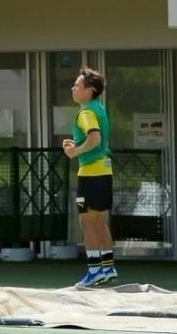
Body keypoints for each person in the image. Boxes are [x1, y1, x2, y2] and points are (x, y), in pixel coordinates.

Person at [62, 68, 116, 288]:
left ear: (90, 90)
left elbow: (95, 138)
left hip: (90, 175)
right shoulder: (98, 108)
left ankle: (94, 271)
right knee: (99, 222)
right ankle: (108, 268)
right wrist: (77, 146)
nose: (73, 89)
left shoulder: (85, 112)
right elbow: (94, 140)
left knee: (86, 222)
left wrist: (75, 151)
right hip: (104, 172)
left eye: (77, 85)